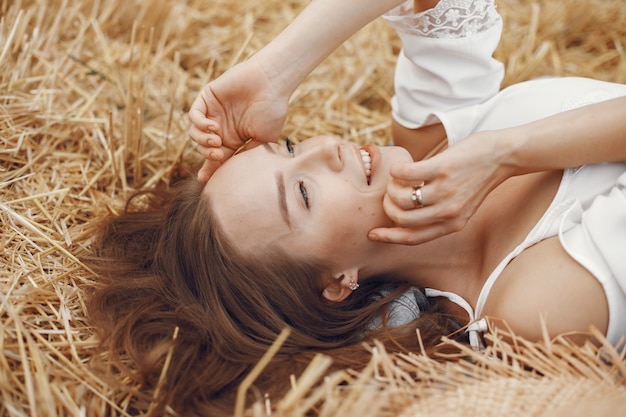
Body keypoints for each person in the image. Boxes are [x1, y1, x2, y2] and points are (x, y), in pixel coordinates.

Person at [87, 0, 626, 416]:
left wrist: (277, 69)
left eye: (292, 146)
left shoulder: (427, 143)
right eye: (303, 192)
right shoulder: (534, 311)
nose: (327, 148)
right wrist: (505, 153)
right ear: (338, 281)